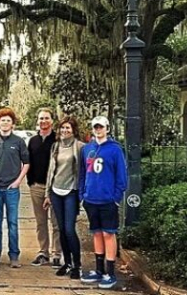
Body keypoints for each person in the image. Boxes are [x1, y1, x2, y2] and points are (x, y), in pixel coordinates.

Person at [79, 115, 127, 289]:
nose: (98, 130)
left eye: (101, 127)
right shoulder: (87, 149)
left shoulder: (115, 150)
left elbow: (121, 176)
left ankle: (110, 272)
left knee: (108, 233)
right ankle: (98, 270)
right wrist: (82, 195)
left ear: (107, 128)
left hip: (108, 200)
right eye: (95, 127)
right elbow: (82, 172)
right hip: (91, 198)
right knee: (97, 233)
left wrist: (116, 198)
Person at [0, 108, 29, 268]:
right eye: (2, 120)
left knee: (12, 222)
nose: (5, 122)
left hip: (12, 188)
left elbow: (26, 163)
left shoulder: (18, 141)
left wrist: (18, 181)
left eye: (8, 120)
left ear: (13, 124)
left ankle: (14, 255)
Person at [43, 116, 85, 279]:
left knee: (69, 229)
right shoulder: (55, 147)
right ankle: (66, 263)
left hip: (71, 192)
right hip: (56, 192)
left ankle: (77, 265)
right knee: (60, 229)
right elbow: (50, 172)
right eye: (62, 128)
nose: (65, 131)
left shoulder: (80, 147)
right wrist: (48, 193)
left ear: (73, 130)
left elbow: (84, 171)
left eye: (68, 128)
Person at [26, 108, 61, 268]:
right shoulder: (33, 141)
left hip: (55, 188)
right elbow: (28, 162)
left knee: (56, 223)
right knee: (41, 222)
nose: (43, 121)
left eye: (46, 118)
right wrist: (30, 181)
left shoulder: (58, 140)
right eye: (41, 118)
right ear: (37, 121)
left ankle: (57, 254)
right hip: (37, 186)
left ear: (52, 121)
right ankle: (43, 252)